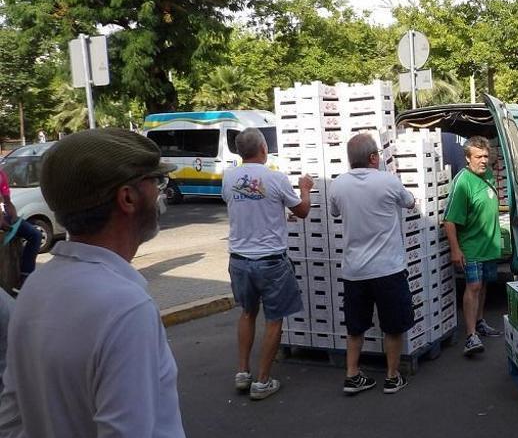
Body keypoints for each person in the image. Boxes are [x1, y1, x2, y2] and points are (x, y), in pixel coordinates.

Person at [0, 128, 184, 436]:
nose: (160, 193)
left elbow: (11, 418)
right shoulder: (126, 308)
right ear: (127, 197)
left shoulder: (36, 287)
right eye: (156, 182)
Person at [222, 128, 312, 401]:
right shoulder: (275, 178)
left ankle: (242, 372)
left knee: (247, 313)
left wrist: (276, 217)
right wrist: (305, 189)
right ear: (263, 148)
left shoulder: (228, 178)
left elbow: (247, 210)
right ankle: (262, 381)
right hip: (271, 261)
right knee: (274, 320)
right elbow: (303, 211)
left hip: (238, 259)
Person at [329, 133, 416, 395]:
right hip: (388, 269)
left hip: (354, 271)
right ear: (373, 157)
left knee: (355, 327)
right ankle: (392, 376)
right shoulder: (388, 181)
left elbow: (334, 212)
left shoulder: (338, 185)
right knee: (393, 325)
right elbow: (411, 203)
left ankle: (352, 375)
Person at [443, 135, 503, 356]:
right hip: (471, 246)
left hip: (489, 243)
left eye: (486, 156)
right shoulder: (462, 182)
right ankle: (470, 336)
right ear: (468, 158)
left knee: (484, 284)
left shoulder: (487, 174)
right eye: (478, 156)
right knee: (474, 286)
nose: (483, 160)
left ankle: (479, 322)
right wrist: (455, 249)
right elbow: (449, 220)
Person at [0, 168, 42, 286]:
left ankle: (26, 276)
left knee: (35, 235)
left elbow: (7, 202)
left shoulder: (1, 175)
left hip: (3, 217)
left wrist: (13, 216)